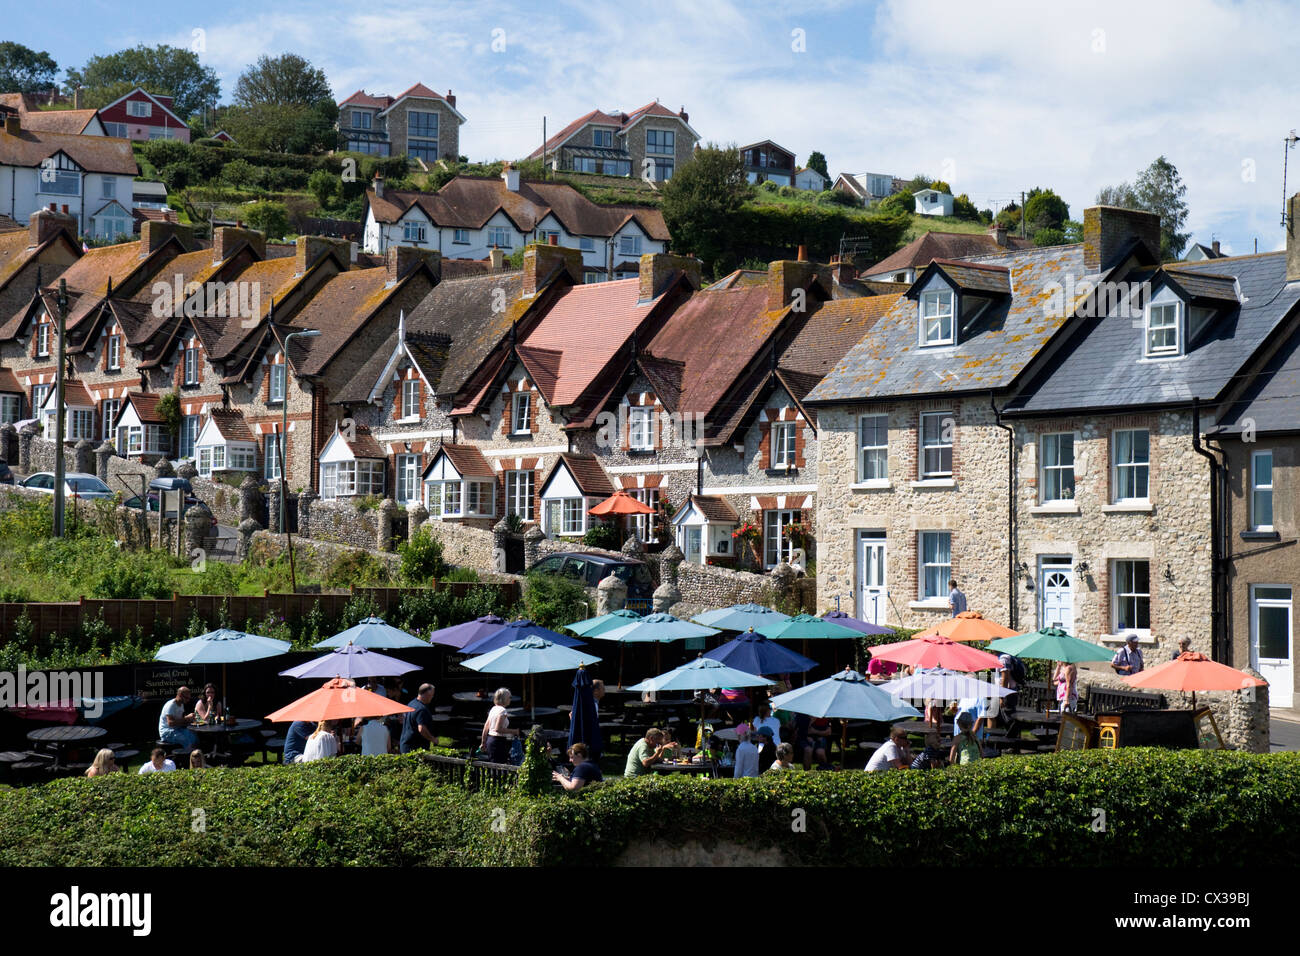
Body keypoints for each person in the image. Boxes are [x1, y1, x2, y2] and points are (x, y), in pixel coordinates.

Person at [478, 687, 516, 763]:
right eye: (509, 697)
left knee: (493, 766)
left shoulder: (493, 709)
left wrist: (483, 742)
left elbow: (486, 727)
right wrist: (514, 731)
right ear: (504, 698)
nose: (510, 699)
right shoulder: (503, 710)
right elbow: (498, 729)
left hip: (490, 740)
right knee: (500, 768)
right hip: (498, 742)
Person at [401, 683, 438, 755]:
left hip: (406, 745)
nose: (432, 697)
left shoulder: (411, 703)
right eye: (432, 694)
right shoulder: (421, 709)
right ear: (427, 694)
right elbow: (421, 729)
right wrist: (433, 739)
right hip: (415, 749)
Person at [158, 686, 198, 750]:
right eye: (186, 698)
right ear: (179, 695)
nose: (188, 700)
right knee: (185, 740)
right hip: (166, 731)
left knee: (193, 737)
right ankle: (188, 756)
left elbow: (180, 720)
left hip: (176, 729)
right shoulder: (171, 705)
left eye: (189, 698)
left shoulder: (181, 704)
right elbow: (170, 723)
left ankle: (194, 754)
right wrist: (187, 718)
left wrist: (190, 720)